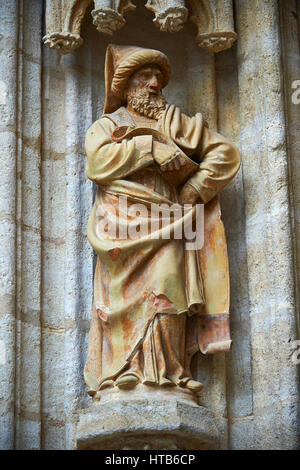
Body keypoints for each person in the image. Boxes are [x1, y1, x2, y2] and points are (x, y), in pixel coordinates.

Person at [84, 44, 240, 396]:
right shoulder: (107, 126)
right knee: (120, 295)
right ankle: (121, 369)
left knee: (169, 285)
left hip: (170, 220)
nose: (154, 84)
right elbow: (97, 163)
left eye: (158, 77)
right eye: (144, 76)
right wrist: (151, 147)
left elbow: (226, 153)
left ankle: (170, 374)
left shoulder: (176, 122)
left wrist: (195, 189)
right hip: (121, 225)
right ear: (125, 86)